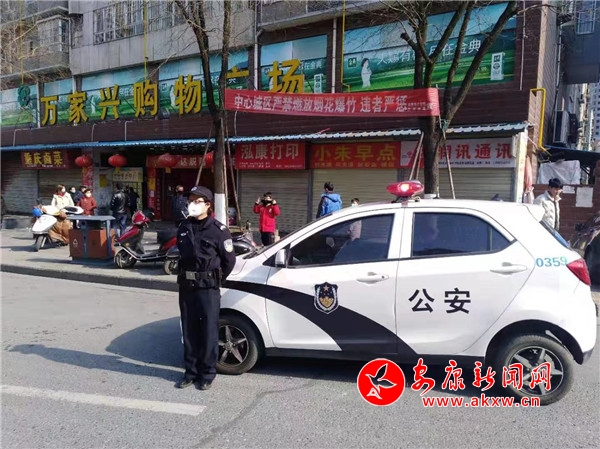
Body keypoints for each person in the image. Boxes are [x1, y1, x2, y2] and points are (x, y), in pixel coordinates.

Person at [175, 186, 237, 391]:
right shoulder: (184, 227)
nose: (191, 205)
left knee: (208, 330)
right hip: (187, 286)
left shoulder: (219, 230)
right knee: (189, 330)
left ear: (208, 205)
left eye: (196, 201)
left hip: (208, 288)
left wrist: (216, 279)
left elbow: (229, 261)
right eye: (190, 201)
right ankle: (190, 372)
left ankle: (207, 373)